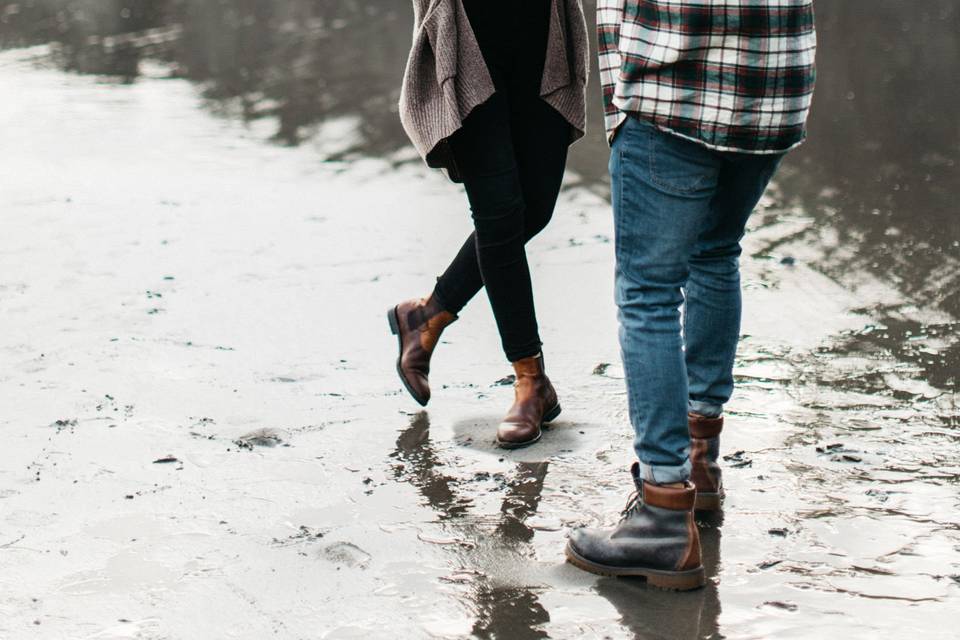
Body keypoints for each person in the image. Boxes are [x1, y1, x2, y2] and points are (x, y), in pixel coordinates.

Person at [565, 1, 817, 590]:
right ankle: (699, 462)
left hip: (674, 91)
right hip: (771, 89)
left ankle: (663, 512)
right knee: (714, 252)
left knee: (649, 292)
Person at [391, 0, 588, 448]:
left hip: (540, 31)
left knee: (533, 209)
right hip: (469, 37)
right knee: (499, 215)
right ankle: (530, 379)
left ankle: (426, 315)